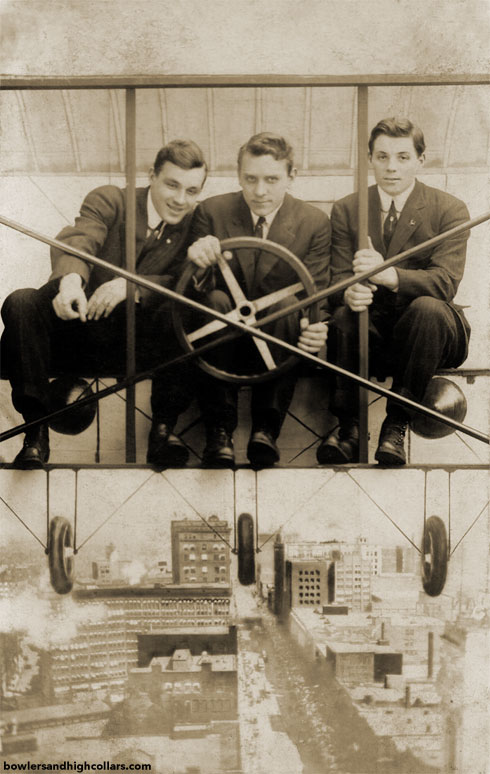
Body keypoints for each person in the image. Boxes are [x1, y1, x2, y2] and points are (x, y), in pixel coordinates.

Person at [1, 139, 208, 470]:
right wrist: (71, 281)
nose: (180, 199)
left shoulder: (197, 221)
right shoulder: (112, 198)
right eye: (172, 185)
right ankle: (35, 433)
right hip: (79, 328)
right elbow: (81, 238)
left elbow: (182, 280)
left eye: (191, 190)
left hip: (138, 343)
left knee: (182, 313)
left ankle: (163, 431)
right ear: (152, 174)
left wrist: (132, 286)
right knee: (21, 302)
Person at [317, 117, 471, 466]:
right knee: (343, 316)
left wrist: (388, 276)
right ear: (369, 158)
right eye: (382, 156)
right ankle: (348, 427)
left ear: (421, 160)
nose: (391, 167)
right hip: (376, 334)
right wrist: (348, 293)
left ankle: (396, 424)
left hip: (431, 334)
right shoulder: (346, 208)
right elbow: (337, 281)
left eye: (403, 157)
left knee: (427, 309)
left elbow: (444, 282)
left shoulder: (450, 209)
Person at [186, 132, 331, 468]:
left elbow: (316, 293)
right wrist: (198, 260)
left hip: (279, 338)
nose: (260, 191)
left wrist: (317, 325)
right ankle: (218, 432)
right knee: (217, 300)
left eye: (271, 179)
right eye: (250, 179)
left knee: (285, 306)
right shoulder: (211, 212)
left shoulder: (314, 223)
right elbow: (193, 290)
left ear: (292, 176)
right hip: (221, 338)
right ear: (239, 176)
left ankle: (265, 432)